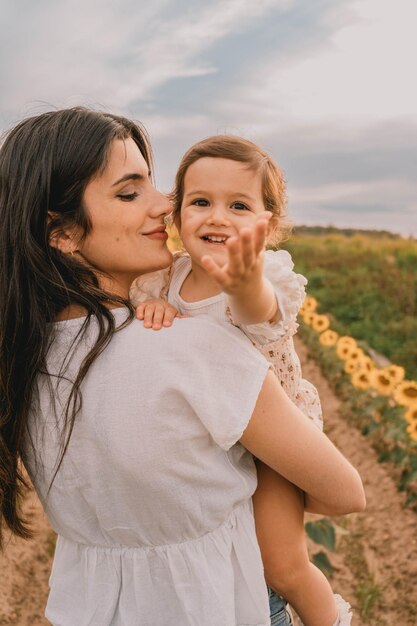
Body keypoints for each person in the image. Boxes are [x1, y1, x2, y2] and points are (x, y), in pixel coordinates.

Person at [0, 107, 365, 626]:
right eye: (129, 193)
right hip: (225, 604)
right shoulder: (192, 349)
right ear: (61, 233)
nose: (163, 206)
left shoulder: (25, 363)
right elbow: (345, 491)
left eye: (154, 185)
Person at [130, 136, 352, 626]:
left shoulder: (265, 278)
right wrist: (157, 308)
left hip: (272, 438)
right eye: (201, 202)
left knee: (281, 562)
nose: (217, 216)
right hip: (209, 438)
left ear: (266, 225)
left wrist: (245, 282)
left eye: (238, 205)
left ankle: (326, 620)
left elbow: (261, 316)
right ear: (176, 214)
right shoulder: (163, 279)